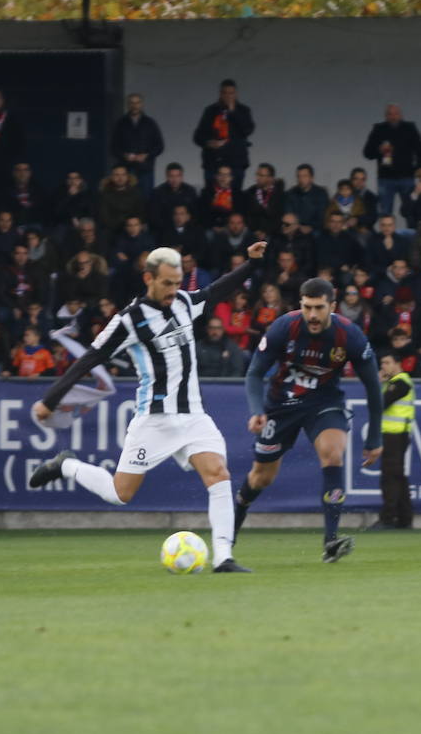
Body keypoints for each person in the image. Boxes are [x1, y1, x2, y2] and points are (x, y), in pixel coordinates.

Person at [29, 241, 270, 575]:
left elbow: (218, 290)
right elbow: (91, 358)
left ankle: (223, 558)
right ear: (149, 279)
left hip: (194, 415)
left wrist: (251, 264)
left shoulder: (187, 302)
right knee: (120, 493)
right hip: (153, 421)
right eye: (167, 283)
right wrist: (50, 400)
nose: (173, 290)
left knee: (219, 474)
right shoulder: (130, 320)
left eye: (177, 282)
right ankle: (67, 465)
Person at [232, 277, 383, 564]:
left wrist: (374, 437)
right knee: (262, 477)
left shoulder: (350, 336)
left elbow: (373, 388)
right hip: (281, 406)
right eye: (307, 307)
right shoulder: (284, 327)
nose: (312, 315)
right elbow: (254, 373)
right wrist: (256, 411)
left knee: (333, 453)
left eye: (319, 308)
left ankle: (331, 542)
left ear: (332, 306)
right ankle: (230, 529)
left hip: (324, 403)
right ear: (300, 305)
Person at [362, 103, 421, 221]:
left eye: (396, 114)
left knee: (411, 210)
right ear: (385, 116)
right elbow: (367, 153)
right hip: (385, 178)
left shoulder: (410, 128)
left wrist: (419, 169)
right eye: (390, 114)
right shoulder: (378, 129)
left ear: (401, 115)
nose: (393, 117)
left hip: (406, 176)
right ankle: (386, 237)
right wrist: (379, 150)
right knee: (385, 212)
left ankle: (412, 236)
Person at [374, 350, 415, 530]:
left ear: (398, 364)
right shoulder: (395, 383)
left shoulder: (400, 383)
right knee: (398, 476)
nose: (383, 366)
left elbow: (381, 403)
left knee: (389, 477)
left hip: (395, 435)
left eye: (387, 362)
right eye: (382, 363)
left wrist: (376, 383)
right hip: (395, 434)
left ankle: (388, 518)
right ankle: (405, 518)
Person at [193, 79, 255, 190]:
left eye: (231, 93)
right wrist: (209, 143)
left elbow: (247, 130)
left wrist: (233, 112)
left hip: (236, 164)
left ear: (236, 94)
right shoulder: (210, 111)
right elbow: (197, 136)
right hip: (213, 163)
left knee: (235, 199)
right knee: (212, 199)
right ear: (220, 94)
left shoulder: (243, 110)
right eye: (225, 93)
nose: (228, 96)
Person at [110, 93, 165, 193]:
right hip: (126, 171)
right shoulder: (121, 123)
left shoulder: (150, 123)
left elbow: (160, 146)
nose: (134, 105)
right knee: (126, 200)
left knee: (146, 199)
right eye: (132, 103)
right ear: (128, 105)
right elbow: (113, 147)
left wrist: (146, 155)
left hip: (146, 169)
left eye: (137, 102)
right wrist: (125, 155)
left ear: (142, 104)